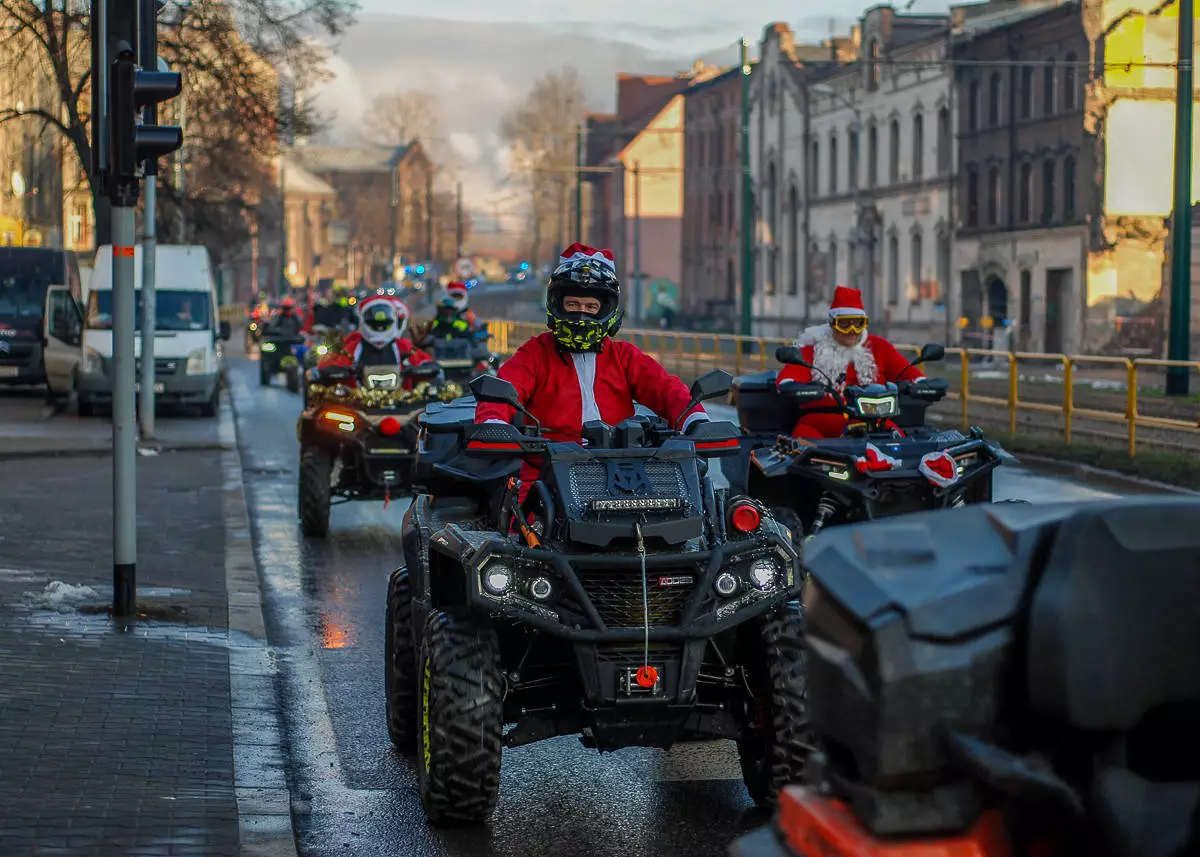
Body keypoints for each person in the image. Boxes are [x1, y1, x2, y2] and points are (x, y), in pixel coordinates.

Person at [475, 243, 710, 501]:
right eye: (573, 304)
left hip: (626, 473)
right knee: (522, 529)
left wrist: (695, 420)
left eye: (591, 307)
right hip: (547, 476)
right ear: (557, 305)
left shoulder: (624, 355)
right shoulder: (536, 353)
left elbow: (665, 388)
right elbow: (504, 390)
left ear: (605, 310)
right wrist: (493, 424)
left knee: (691, 516)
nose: (581, 314)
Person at [777, 285, 927, 439]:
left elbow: (907, 371)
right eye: (844, 323)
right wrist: (793, 386)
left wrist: (923, 383)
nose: (852, 330)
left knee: (902, 448)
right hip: (820, 425)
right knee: (802, 450)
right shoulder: (812, 349)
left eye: (858, 324)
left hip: (875, 423)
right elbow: (790, 375)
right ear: (832, 323)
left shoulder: (879, 347)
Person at [316, 295, 430, 385]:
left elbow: (423, 360)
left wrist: (423, 368)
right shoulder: (353, 346)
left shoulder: (402, 345)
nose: (379, 327)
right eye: (375, 323)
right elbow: (330, 365)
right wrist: (337, 371)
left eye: (383, 323)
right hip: (359, 404)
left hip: (401, 403)